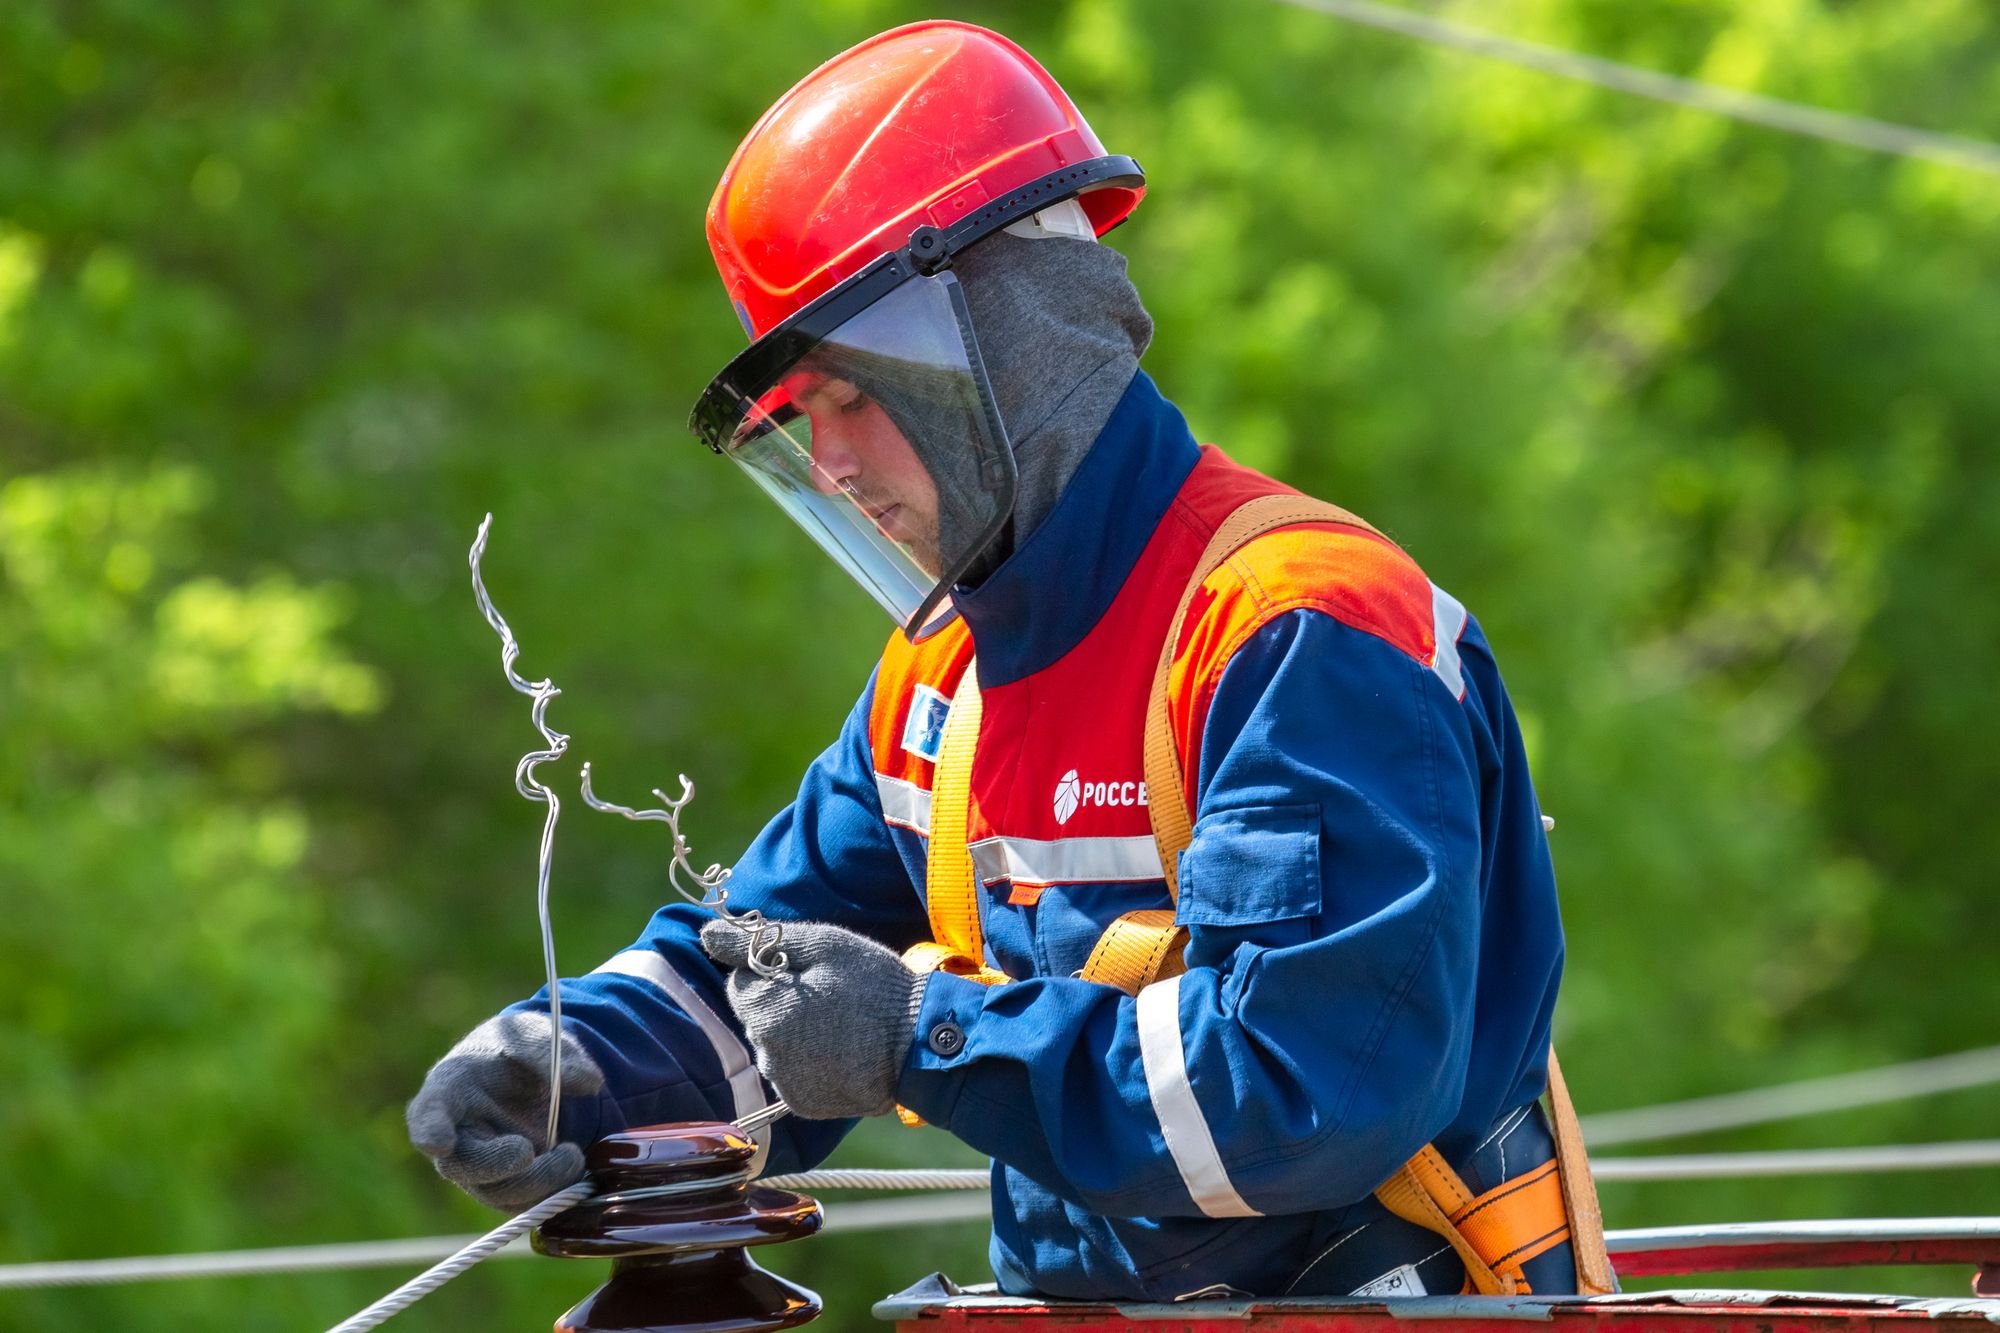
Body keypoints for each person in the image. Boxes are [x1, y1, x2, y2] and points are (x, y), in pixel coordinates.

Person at [408, 20, 1591, 1301]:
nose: (834, 468)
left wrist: (926, 1040)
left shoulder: (1299, 629)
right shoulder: (942, 688)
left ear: (1005, 345)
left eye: (850, 397)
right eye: (801, 423)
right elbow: (772, 976)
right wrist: (575, 1060)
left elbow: (1308, 1085)